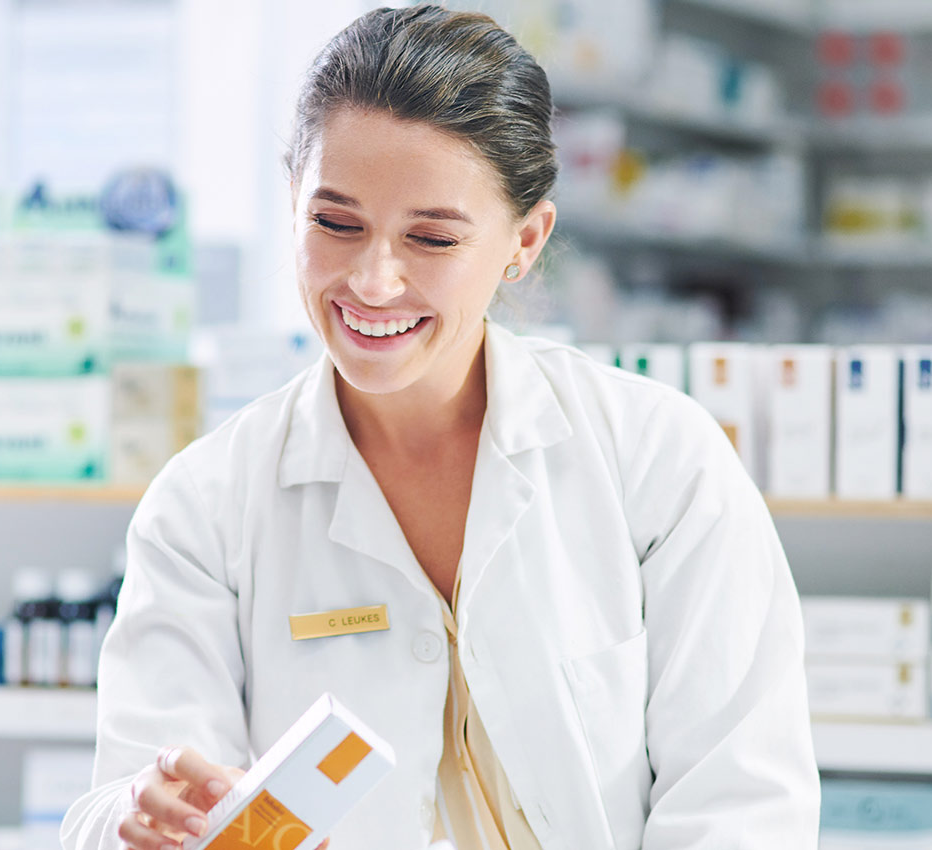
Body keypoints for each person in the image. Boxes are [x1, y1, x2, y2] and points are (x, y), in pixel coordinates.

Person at [61, 7, 818, 850]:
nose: (372, 281)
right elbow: (138, 789)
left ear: (523, 241)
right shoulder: (206, 508)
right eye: (334, 222)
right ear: (291, 203)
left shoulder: (658, 462)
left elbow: (739, 804)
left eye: (431, 237)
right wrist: (142, 819)